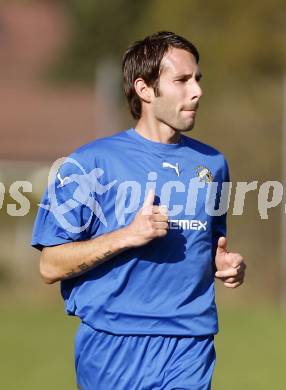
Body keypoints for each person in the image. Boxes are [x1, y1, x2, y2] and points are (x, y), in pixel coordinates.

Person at [31, 31, 246, 390]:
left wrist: (224, 264)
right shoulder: (88, 164)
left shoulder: (213, 164)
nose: (197, 91)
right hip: (114, 345)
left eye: (197, 79)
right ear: (144, 89)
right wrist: (126, 236)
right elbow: (50, 265)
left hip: (190, 342)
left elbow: (205, 245)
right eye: (182, 80)